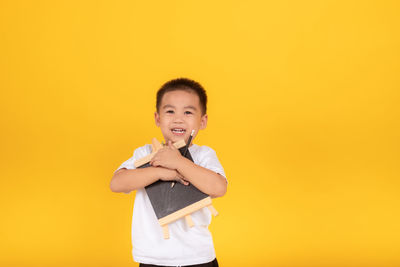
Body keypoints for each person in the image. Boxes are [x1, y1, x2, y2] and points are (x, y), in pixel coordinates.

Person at [110, 78, 228, 267]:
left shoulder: (203, 155)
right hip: (153, 257)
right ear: (158, 118)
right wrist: (160, 173)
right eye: (170, 111)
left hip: (197, 256)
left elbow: (218, 188)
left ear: (203, 121)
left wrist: (179, 162)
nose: (178, 118)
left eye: (188, 112)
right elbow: (117, 183)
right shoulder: (146, 153)